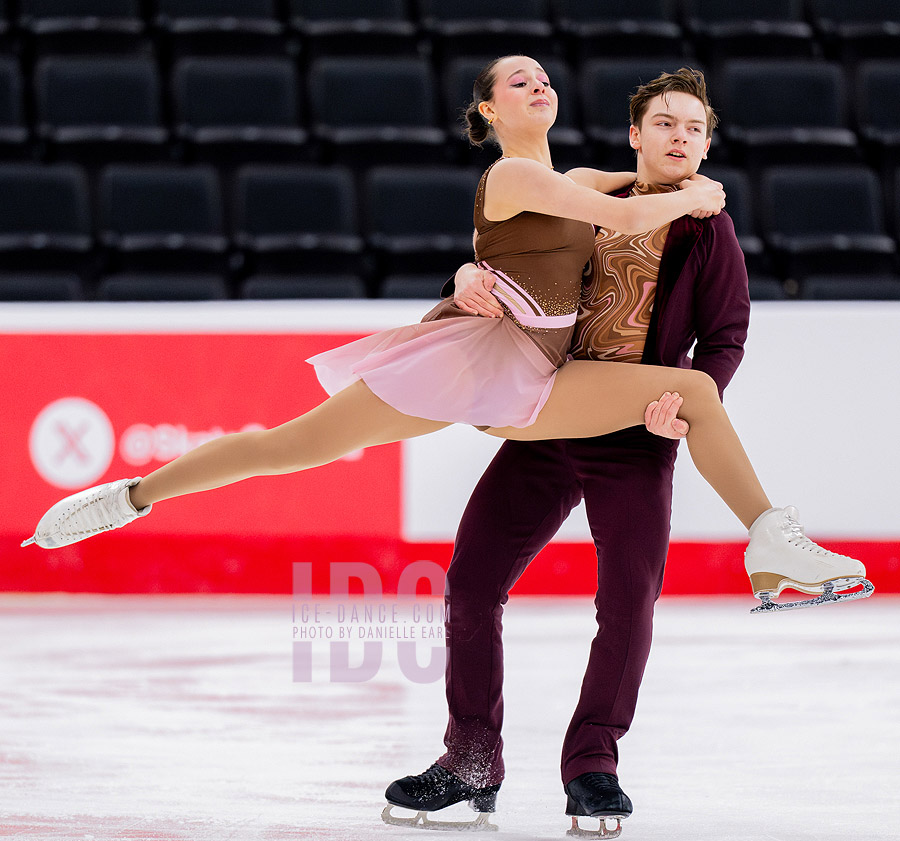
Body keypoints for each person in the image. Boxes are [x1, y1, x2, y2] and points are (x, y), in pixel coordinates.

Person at [22, 58, 865, 747]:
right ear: (489, 109)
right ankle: (127, 497)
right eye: (516, 83)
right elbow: (605, 212)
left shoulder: (580, 172)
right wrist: (696, 196)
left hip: (547, 376)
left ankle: (768, 544)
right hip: (485, 365)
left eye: (542, 79)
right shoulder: (517, 172)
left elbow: (602, 206)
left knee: (684, 393)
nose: (536, 86)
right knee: (290, 444)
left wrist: (476, 269)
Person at [381, 66, 872, 837]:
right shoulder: (584, 199)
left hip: (636, 436)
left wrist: (688, 397)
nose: (681, 137)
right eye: (665, 124)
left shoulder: (709, 228)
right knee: (472, 579)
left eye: (694, 128)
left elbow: (728, 334)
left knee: (627, 601)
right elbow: (514, 252)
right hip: (549, 415)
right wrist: (469, 271)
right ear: (636, 136)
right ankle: (470, 759)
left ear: (707, 145)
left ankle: (594, 763)